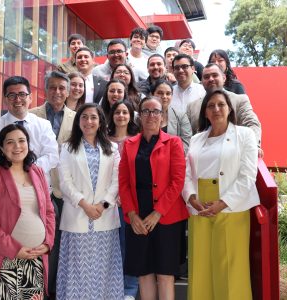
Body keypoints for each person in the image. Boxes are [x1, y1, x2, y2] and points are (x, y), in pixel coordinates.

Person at [183, 89, 260, 300]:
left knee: (230, 270)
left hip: (231, 205)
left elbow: (247, 175)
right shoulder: (197, 139)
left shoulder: (245, 135)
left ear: (229, 109)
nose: (216, 109)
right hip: (199, 207)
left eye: (221, 105)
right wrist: (191, 198)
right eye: (211, 105)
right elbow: (187, 174)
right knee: (200, 267)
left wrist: (223, 202)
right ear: (205, 112)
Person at [0, 124, 55, 300]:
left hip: (34, 259)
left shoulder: (37, 172)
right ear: (1, 147)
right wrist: (14, 249)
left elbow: (48, 211)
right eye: (10, 142)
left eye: (22, 141)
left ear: (28, 144)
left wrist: (47, 243)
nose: (17, 147)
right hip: (4, 258)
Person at [119, 96, 189, 300]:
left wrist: (157, 214)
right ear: (140, 116)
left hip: (166, 218)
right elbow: (123, 182)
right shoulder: (129, 145)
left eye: (156, 111)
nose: (151, 115)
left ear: (162, 116)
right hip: (138, 217)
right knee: (144, 273)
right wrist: (131, 215)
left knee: (165, 274)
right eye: (146, 111)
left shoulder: (174, 142)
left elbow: (178, 181)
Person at [56, 103, 123, 299]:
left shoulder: (112, 147)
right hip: (77, 215)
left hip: (105, 218)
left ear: (101, 121)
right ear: (78, 121)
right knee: (77, 272)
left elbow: (117, 179)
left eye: (93, 117)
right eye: (84, 117)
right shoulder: (68, 147)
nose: (88, 121)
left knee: (104, 271)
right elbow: (65, 182)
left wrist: (102, 205)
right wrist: (85, 205)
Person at [29, 70, 76, 298]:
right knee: (38, 242)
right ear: (45, 89)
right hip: (37, 190)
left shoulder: (77, 119)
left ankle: (57, 291)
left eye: (61, 88)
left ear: (68, 91)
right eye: (53, 87)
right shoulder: (30, 116)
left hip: (66, 194)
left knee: (60, 247)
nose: (57, 92)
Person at [0, 76, 59, 181]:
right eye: (12, 95)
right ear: (5, 99)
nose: (17, 100)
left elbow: (52, 156)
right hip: (5, 190)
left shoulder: (43, 125)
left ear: (30, 98)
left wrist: (26, 170)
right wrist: (8, 175)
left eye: (22, 94)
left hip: (38, 189)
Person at [107, 100, 140, 300]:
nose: (121, 116)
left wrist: (124, 195)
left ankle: (129, 289)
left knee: (129, 245)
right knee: (112, 247)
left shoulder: (136, 140)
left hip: (130, 201)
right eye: (117, 112)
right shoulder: (103, 139)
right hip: (108, 202)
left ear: (131, 116)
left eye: (125, 112)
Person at [187, 63, 262, 146]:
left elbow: (252, 124)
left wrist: (253, 147)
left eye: (215, 75)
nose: (211, 79)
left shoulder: (240, 100)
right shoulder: (192, 107)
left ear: (224, 78)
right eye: (206, 77)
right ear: (201, 82)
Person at [151, 79, 192, 154]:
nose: (164, 96)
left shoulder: (181, 116)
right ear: (152, 94)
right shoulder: (144, 115)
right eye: (160, 93)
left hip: (173, 159)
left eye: (168, 93)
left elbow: (186, 142)